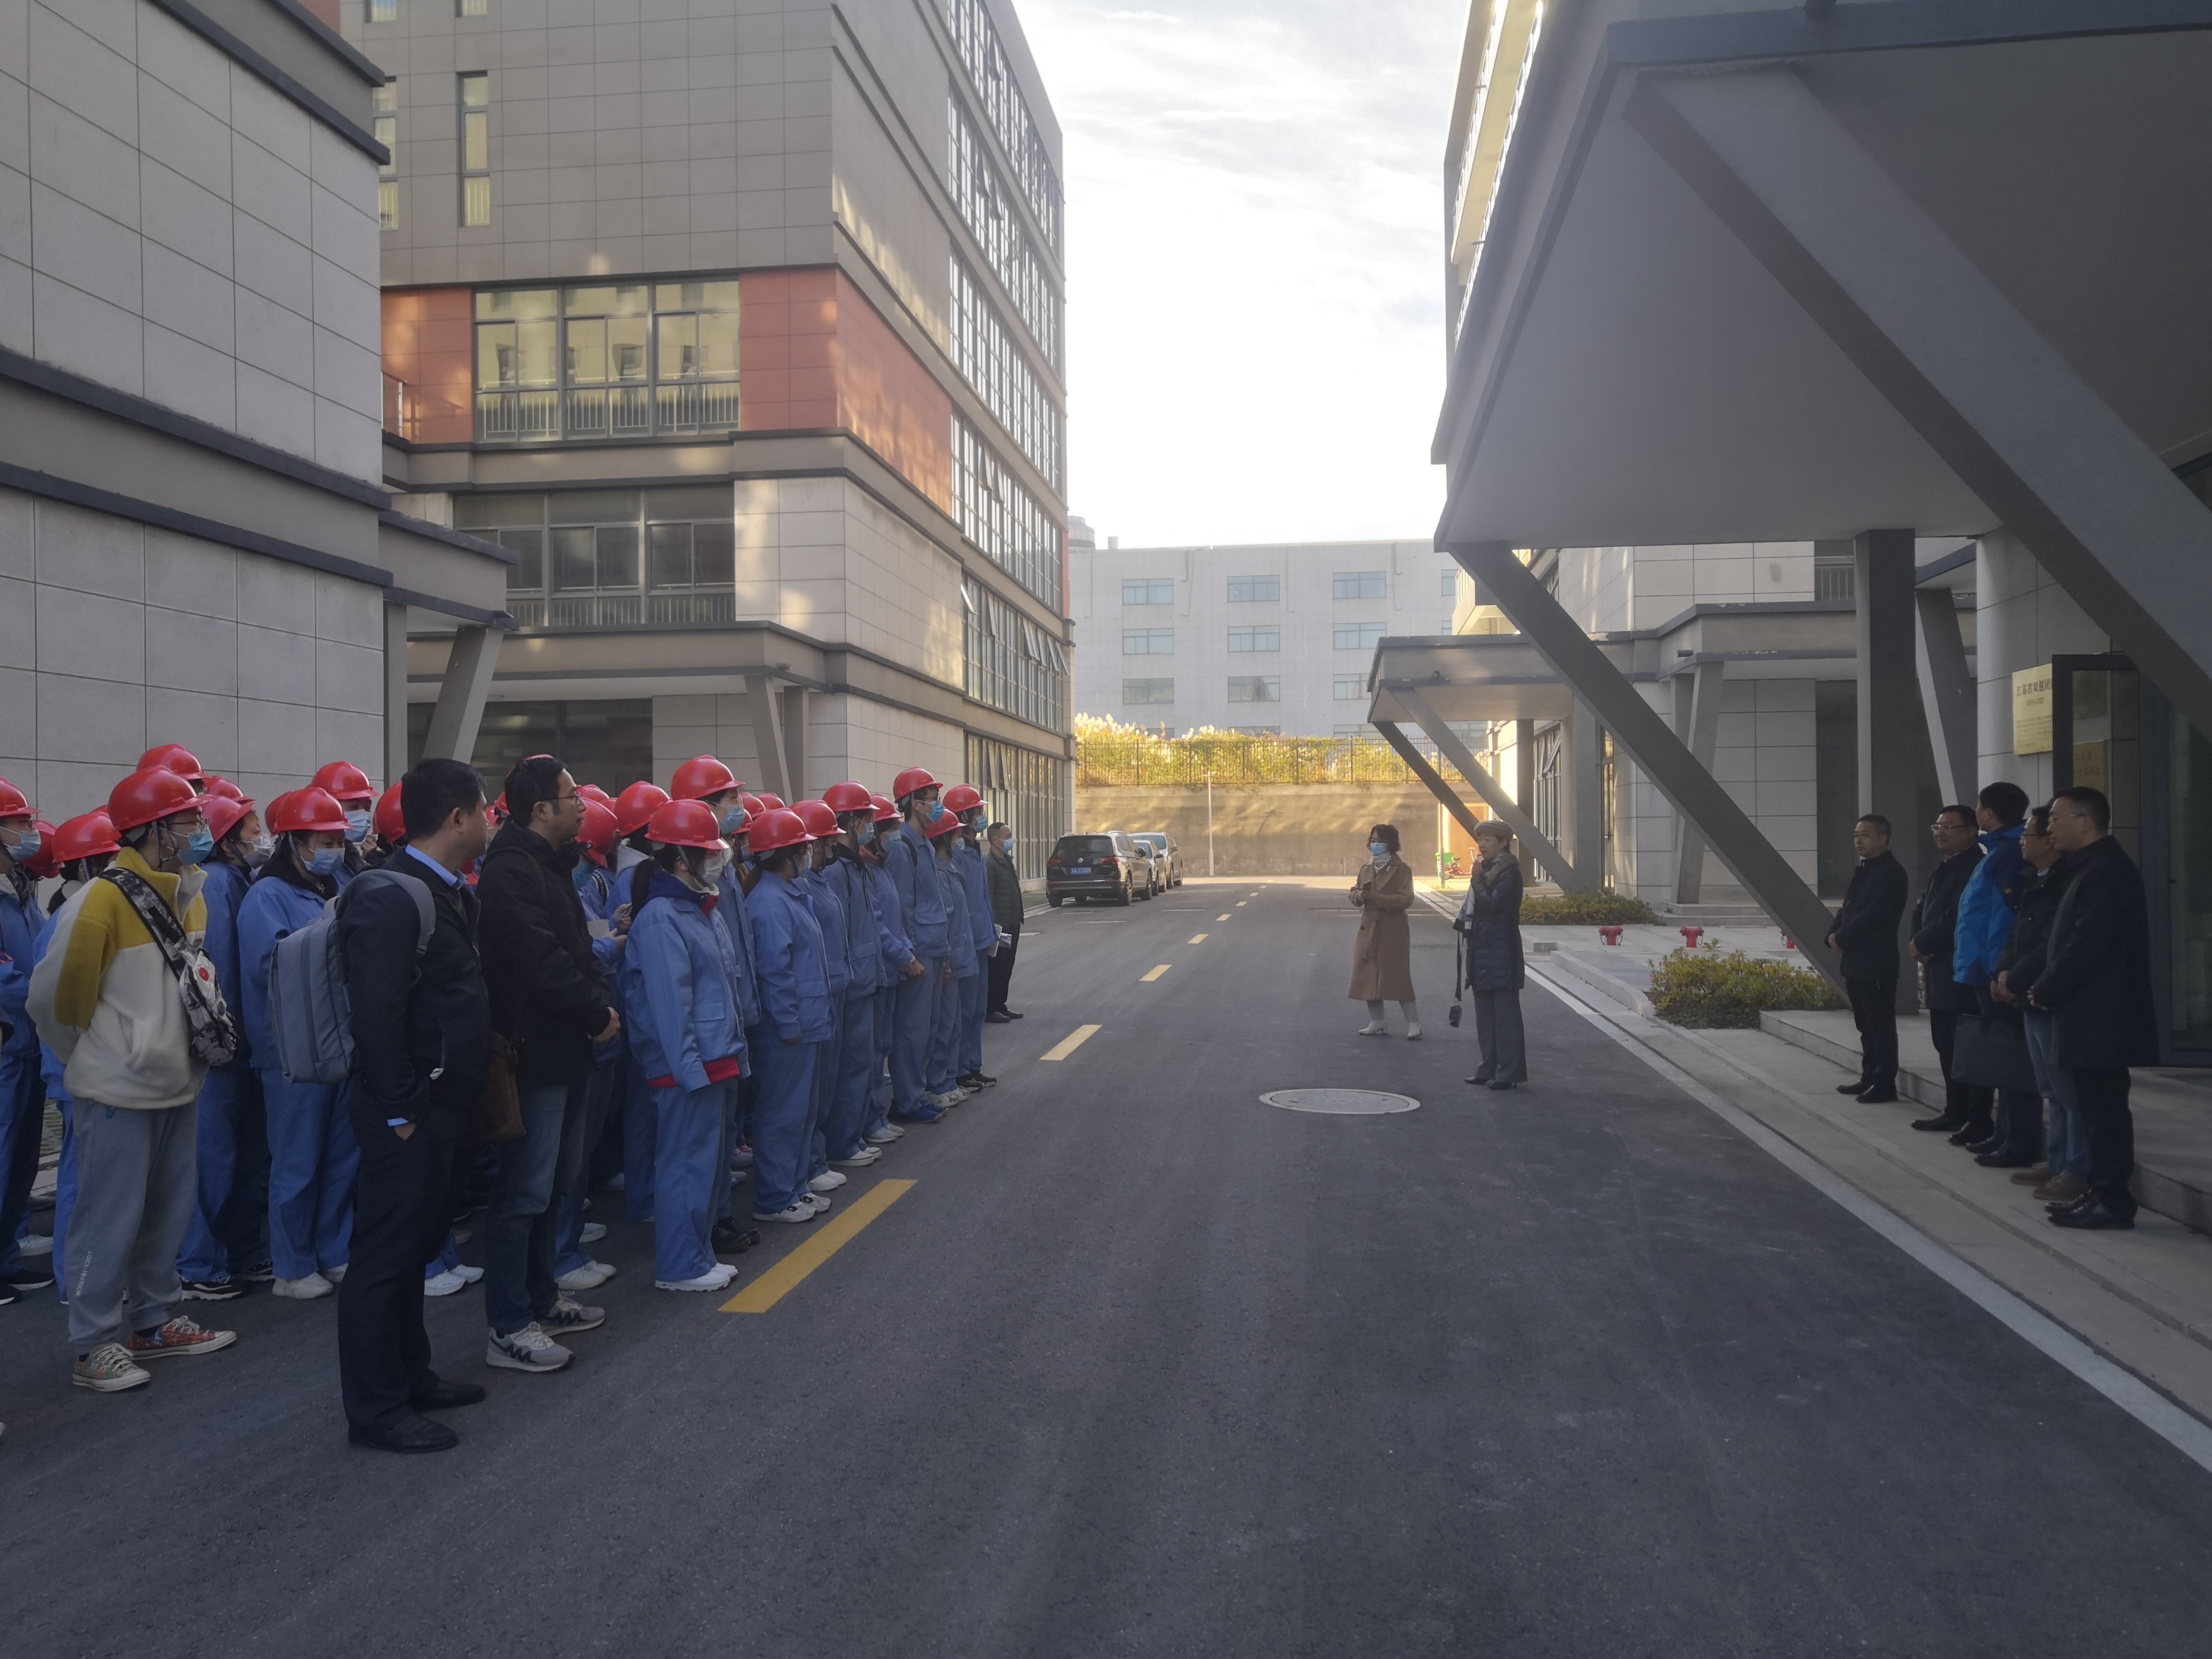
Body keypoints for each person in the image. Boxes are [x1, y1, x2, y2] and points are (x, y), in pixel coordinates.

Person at [28, 768, 240, 1395]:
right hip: (118, 1089)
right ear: (154, 830)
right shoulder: (100, 901)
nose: (200, 829)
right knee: (108, 1218)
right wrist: (103, 1056)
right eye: (188, 821)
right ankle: (93, 1344)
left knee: (166, 1211)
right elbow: (54, 1005)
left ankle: (155, 1320)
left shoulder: (191, 893)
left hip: (178, 1080)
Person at [335, 757, 495, 1452]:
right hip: (408, 1113)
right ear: (457, 818)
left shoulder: (443, 890)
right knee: (384, 1259)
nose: (490, 821)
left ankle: (411, 1375)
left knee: (414, 1248)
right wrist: (402, 1109)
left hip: (443, 1104)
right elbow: (375, 1015)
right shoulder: (390, 895)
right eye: (484, 810)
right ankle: (376, 1410)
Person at [476, 755, 620, 1372]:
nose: (582, 805)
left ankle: (541, 1298)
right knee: (523, 1193)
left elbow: (578, 950)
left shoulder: (551, 864)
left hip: (568, 1051)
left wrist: (597, 1006)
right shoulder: (510, 872)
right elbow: (540, 961)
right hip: (532, 1056)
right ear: (540, 809)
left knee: (556, 1184)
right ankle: (509, 1325)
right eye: (571, 796)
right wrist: (594, 1011)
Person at [239, 788, 360, 1299]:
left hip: (339, 1040)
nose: (333, 849)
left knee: (341, 1157)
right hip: (290, 1049)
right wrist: (332, 938)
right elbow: (271, 967)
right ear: (293, 842)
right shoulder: (266, 897)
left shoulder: (337, 885)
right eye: (323, 841)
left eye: (337, 840)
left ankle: (333, 1250)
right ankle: (291, 1267)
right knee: (297, 1160)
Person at [620, 798, 746, 1290]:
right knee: (683, 1164)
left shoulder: (699, 907)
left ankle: (697, 1255)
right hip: (688, 1066)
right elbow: (671, 1006)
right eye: (705, 852)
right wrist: (689, 1069)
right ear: (678, 859)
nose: (715, 860)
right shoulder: (661, 918)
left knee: (704, 1166)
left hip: (713, 1057)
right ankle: (680, 1265)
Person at [2030, 786, 2158, 1231]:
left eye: (2057, 819)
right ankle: (2101, 1191)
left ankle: (2113, 1200)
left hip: (2103, 1014)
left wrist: (2048, 986)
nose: (2049, 827)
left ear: (2086, 822)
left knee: (2105, 1113)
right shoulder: (2087, 868)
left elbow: (2087, 942)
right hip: (2087, 1012)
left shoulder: (2107, 871)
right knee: (2093, 1110)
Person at [175, 787, 270, 1301]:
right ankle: (198, 1262)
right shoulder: (215, 886)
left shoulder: (239, 880)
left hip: (244, 1047)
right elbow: (221, 976)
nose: (262, 837)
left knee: (244, 1158)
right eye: (253, 829)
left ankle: (240, 1250)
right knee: (213, 1159)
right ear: (227, 840)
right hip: (224, 1048)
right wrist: (229, 1038)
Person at [744, 808, 835, 1224]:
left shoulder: (787, 894)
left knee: (801, 1112)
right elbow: (774, 973)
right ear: (785, 855)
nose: (809, 854)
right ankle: (775, 1197)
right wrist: (789, 1022)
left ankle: (795, 1187)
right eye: (802, 849)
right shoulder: (768, 903)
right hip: (789, 1028)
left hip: (806, 1021)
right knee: (782, 1114)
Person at [1994, 807, 2080, 1201]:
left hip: (2045, 994)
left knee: (2067, 1091)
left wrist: (2018, 978)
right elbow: (2018, 934)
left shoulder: (2066, 881)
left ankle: (2075, 1168)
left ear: (2049, 841)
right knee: (2050, 1088)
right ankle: (2058, 1162)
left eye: (2027, 835)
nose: (2021, 842)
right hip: (2028, 993)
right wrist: (2003, 969)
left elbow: (2052, 942)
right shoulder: (2035, 879)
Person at [0, 780, 55, 1301]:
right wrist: (49, 993)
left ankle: (7, 1258)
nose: (30, 830)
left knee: (19, 1159)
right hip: (8, 1044)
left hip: (27, 1044)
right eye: (19, 822)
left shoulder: (15, 889)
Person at [819, 783, 889, 1170]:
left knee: (862, 1062)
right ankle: (843, 1142)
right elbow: (839, 933)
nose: (870, 827)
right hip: (851, 981)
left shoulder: (855, 866)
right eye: (865, 820)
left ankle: (854, 1134)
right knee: (849, 1066)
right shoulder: (837, 872)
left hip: (864, 975)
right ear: (848, 822)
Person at [1907, 805, 1988, 1139]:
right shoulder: (1944, 867)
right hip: (1939, 969)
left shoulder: (1976, 867)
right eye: (1937, 826)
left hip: (1963, 972)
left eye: (1949, 827)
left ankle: (1977, 1117)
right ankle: (1955, 1110)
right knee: (1946, 1045)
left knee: (1968, 1049)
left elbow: (1957, 915)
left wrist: (1924, 941)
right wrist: (1917, 938)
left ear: (1971, 831)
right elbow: (1922, 908)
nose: (1940, 832)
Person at [793, 800, 853, 1201]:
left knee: (821, 1089)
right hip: (813, 998)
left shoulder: (818, 881)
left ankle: (814, 1164)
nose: (832, 849)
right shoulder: (797, 890)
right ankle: (805, 1170)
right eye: (826, 843)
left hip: (829, 991)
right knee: (797, 1101)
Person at [1825, 814, 1909, 1103]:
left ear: (1884, 839)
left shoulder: (1891, 873)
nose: (1859, 841)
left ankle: (1885, 1083)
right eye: (1856, 835)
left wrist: (1843, 937)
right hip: (1857, 961)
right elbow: (1848, 909)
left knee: (1880, 1025)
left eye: (1866, 835)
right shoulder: (1866, 870)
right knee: (1865, 1025)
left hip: (1877, 961)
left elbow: (1874, 915)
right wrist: (1833, 934)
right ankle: (1869, 1076)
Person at [885, 767, 952, 1125]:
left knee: (928, 1028)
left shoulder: (923, 844)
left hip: (934, 948)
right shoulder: (904, 848)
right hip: (920, 951)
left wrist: (944, 956)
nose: (937, 805)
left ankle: (918, 1092)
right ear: (914, 804)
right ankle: (908, 1099)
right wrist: (909, 954)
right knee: (912, 1030)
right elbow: (903, 907)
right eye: (932, 799)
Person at [863, 793, 918, 1145]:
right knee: (868, 1056)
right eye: (891, 829)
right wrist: (903, 955)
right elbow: (877, 925)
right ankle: (869, 1121)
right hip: (876, 971)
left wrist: (906, 950)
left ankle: (876, 1117)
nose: (896, 834)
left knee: (880, 1047)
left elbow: (895, 918)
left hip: (889, 970)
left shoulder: (880, 868)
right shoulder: (865, 870)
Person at [1455, 821, 1525, 1087]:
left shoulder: (1510, 873)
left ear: (1503, 843)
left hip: (1502, 949)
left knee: (1505, 1016)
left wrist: (1476, 880)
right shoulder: (1485, 868)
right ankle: (1488, 1067)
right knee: (1485, 1016)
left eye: (1488, 840)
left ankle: (1508, 1072)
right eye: (1480, 839)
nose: (1482, 845)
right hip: (1482, 947)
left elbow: (1493, 904)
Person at [945, 786, 998, 1092]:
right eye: (977, 812)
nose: (982, 817)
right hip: (964, 943)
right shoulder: (957, 853)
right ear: (963, 817)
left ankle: (972, 1066)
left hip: (981, 939)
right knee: (961, 1012)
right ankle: (959, 1069)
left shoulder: (976, 849)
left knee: (977, 1009)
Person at [1350, 822, 1419, 1039]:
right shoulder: (1366, 869)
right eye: (1373, 841)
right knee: (1368, 975)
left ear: (1391, 844)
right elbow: (1354, 892)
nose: (1375, 845)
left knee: (1398, 976)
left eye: (1380, 841)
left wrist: (1378, 899)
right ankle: (1377, 1021)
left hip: (1392, 929)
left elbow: (1406, 899)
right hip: (1369, 927)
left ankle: (1414, 1023)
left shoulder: (1402, 870)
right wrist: (1359, 896)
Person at [923, 805, 972, 1106]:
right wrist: (946, 961)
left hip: (958, 957)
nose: (960, 841)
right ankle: (937, 1084)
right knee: (942, 1026)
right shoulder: (939, 874)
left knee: (953, 1025)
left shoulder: (950, 870)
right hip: (949, 959)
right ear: (943, 839)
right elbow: (945, 919)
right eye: (955, 836)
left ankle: (948, 1079)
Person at [985, 821, 1024, 1022]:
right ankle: (991, 1008)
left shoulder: (1007, 860)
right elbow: (989, 896)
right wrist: (995, 924)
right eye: (1007, 837)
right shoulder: (990, 864)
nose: (1010, 840)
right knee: (997, 968)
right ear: (995, 840)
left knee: (1007, 966)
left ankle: (1001, 1004)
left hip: (1013, 922)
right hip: (1001, 926)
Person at [312, 761, 378, 882]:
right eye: (353, 807)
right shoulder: (318, 862)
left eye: (367, 808)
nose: (363, 815)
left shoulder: (349, 858)